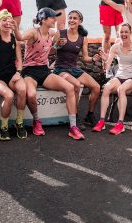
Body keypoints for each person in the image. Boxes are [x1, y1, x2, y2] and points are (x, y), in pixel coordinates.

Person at [15, 8, 84, 140]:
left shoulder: (53, 33)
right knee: (31, 94)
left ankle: (73, 127)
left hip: (44, 70)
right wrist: (14, 26)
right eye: (52, 17)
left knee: (70, 87)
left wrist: (57, 45)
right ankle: (36, 121)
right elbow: (19, 38)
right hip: (29, 71)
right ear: (43, 19)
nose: (55, 20)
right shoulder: (33, 32)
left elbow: (50, 49)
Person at [0, 0, 28, 140]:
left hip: (12, 74)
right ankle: (4, 127)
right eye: (3, 20)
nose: (7, 22)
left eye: (9, 20)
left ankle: (19, 122)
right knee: (9, 96)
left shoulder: (14, 40)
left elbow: (19, 59)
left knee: (23, 89)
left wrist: (18, 72)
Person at [53, 10, 102, 128]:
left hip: (74, 69)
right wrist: (57, 45)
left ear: (80, 21)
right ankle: (75, 118)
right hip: (60, 69)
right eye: (70, 18)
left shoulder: (83, 37)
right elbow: (49, 51)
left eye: (75, 18)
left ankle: (90, 115)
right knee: (76, 84)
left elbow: (85, 58)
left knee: (96, 87)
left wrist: (94, 59)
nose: (71, 20)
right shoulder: (60, 33)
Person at [92, 24, 132, 135]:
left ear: (130, 33)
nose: (124, 34)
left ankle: (120, 124)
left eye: (126, 32)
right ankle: (101, 121)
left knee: (121, 90)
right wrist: (105, 60)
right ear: (119, 33)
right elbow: (107, 67)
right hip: (120, 75)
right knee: (106, 88)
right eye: (122, 32)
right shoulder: (115, 47)